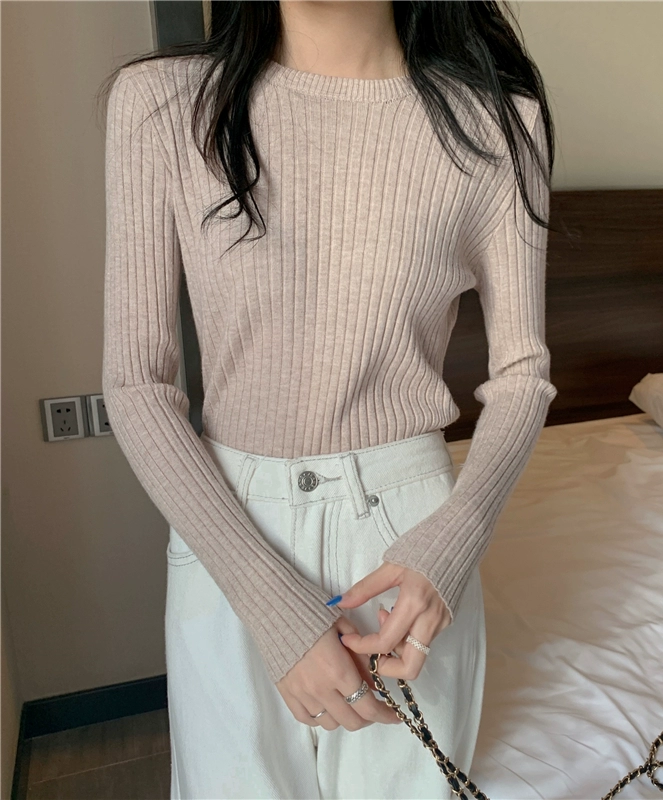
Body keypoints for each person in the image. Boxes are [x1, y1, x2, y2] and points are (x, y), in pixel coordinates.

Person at [101, 1, 558, 797]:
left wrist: (453, 543)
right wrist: (273, 607)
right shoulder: (164, 103)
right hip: (230, 534)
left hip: (407, 547)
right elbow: (138, 382)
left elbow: (523, 373)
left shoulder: (497, 122)